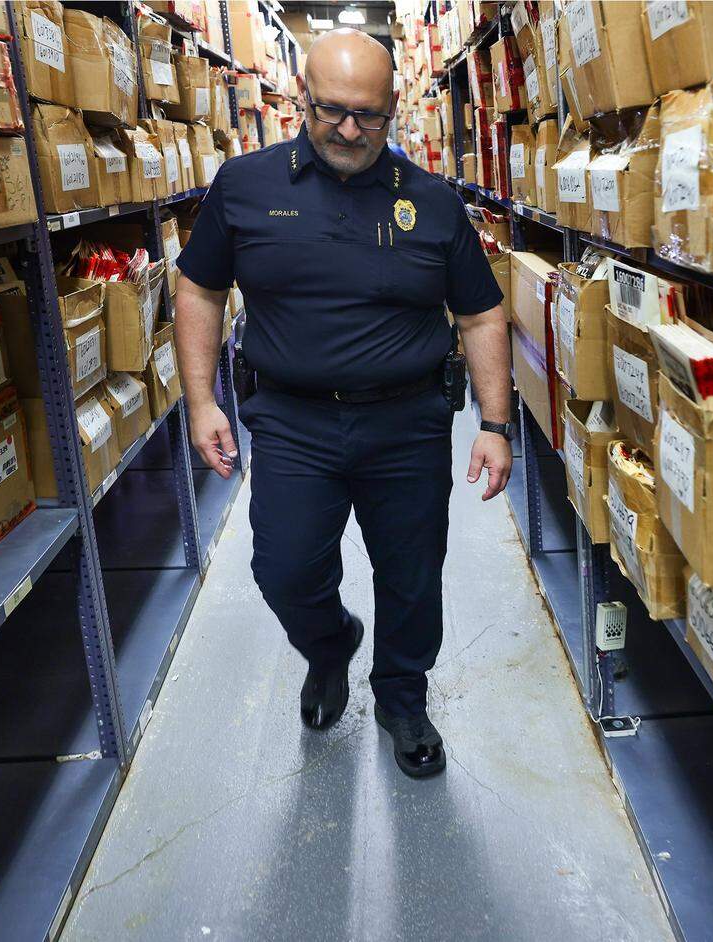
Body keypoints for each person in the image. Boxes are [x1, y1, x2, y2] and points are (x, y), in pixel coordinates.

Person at [174, 28, 512, 779]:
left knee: (412, 575)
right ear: (302, 101)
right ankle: (329, 646)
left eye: (369, 115)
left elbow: (482, 313)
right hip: (293, 421)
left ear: (394, 108)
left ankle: (401, 699)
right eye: (331, 112)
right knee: (285, 567)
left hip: (408, 421)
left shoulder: (432, 201)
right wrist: (201, 401)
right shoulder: (245, 185)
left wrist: (494, 422)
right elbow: (199, 287)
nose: (350, 131)